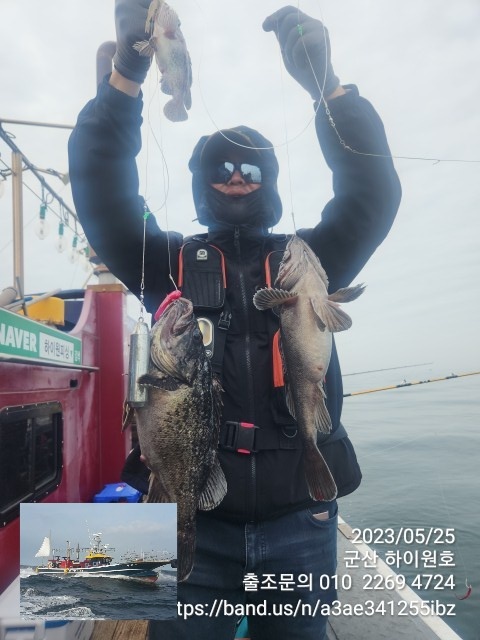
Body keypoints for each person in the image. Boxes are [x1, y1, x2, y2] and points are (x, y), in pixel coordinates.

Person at [68, 2, 401, 639]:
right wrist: (127, 79)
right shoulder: (166, 262)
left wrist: (329, 87)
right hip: (190, 518)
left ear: (270, 180)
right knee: (75, 591)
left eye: (251, 169)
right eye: (220, 170)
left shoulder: (307, 261)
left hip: (300, 521)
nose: (237, 179)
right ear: (200, 183)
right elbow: (101, 193)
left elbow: (373, 193)